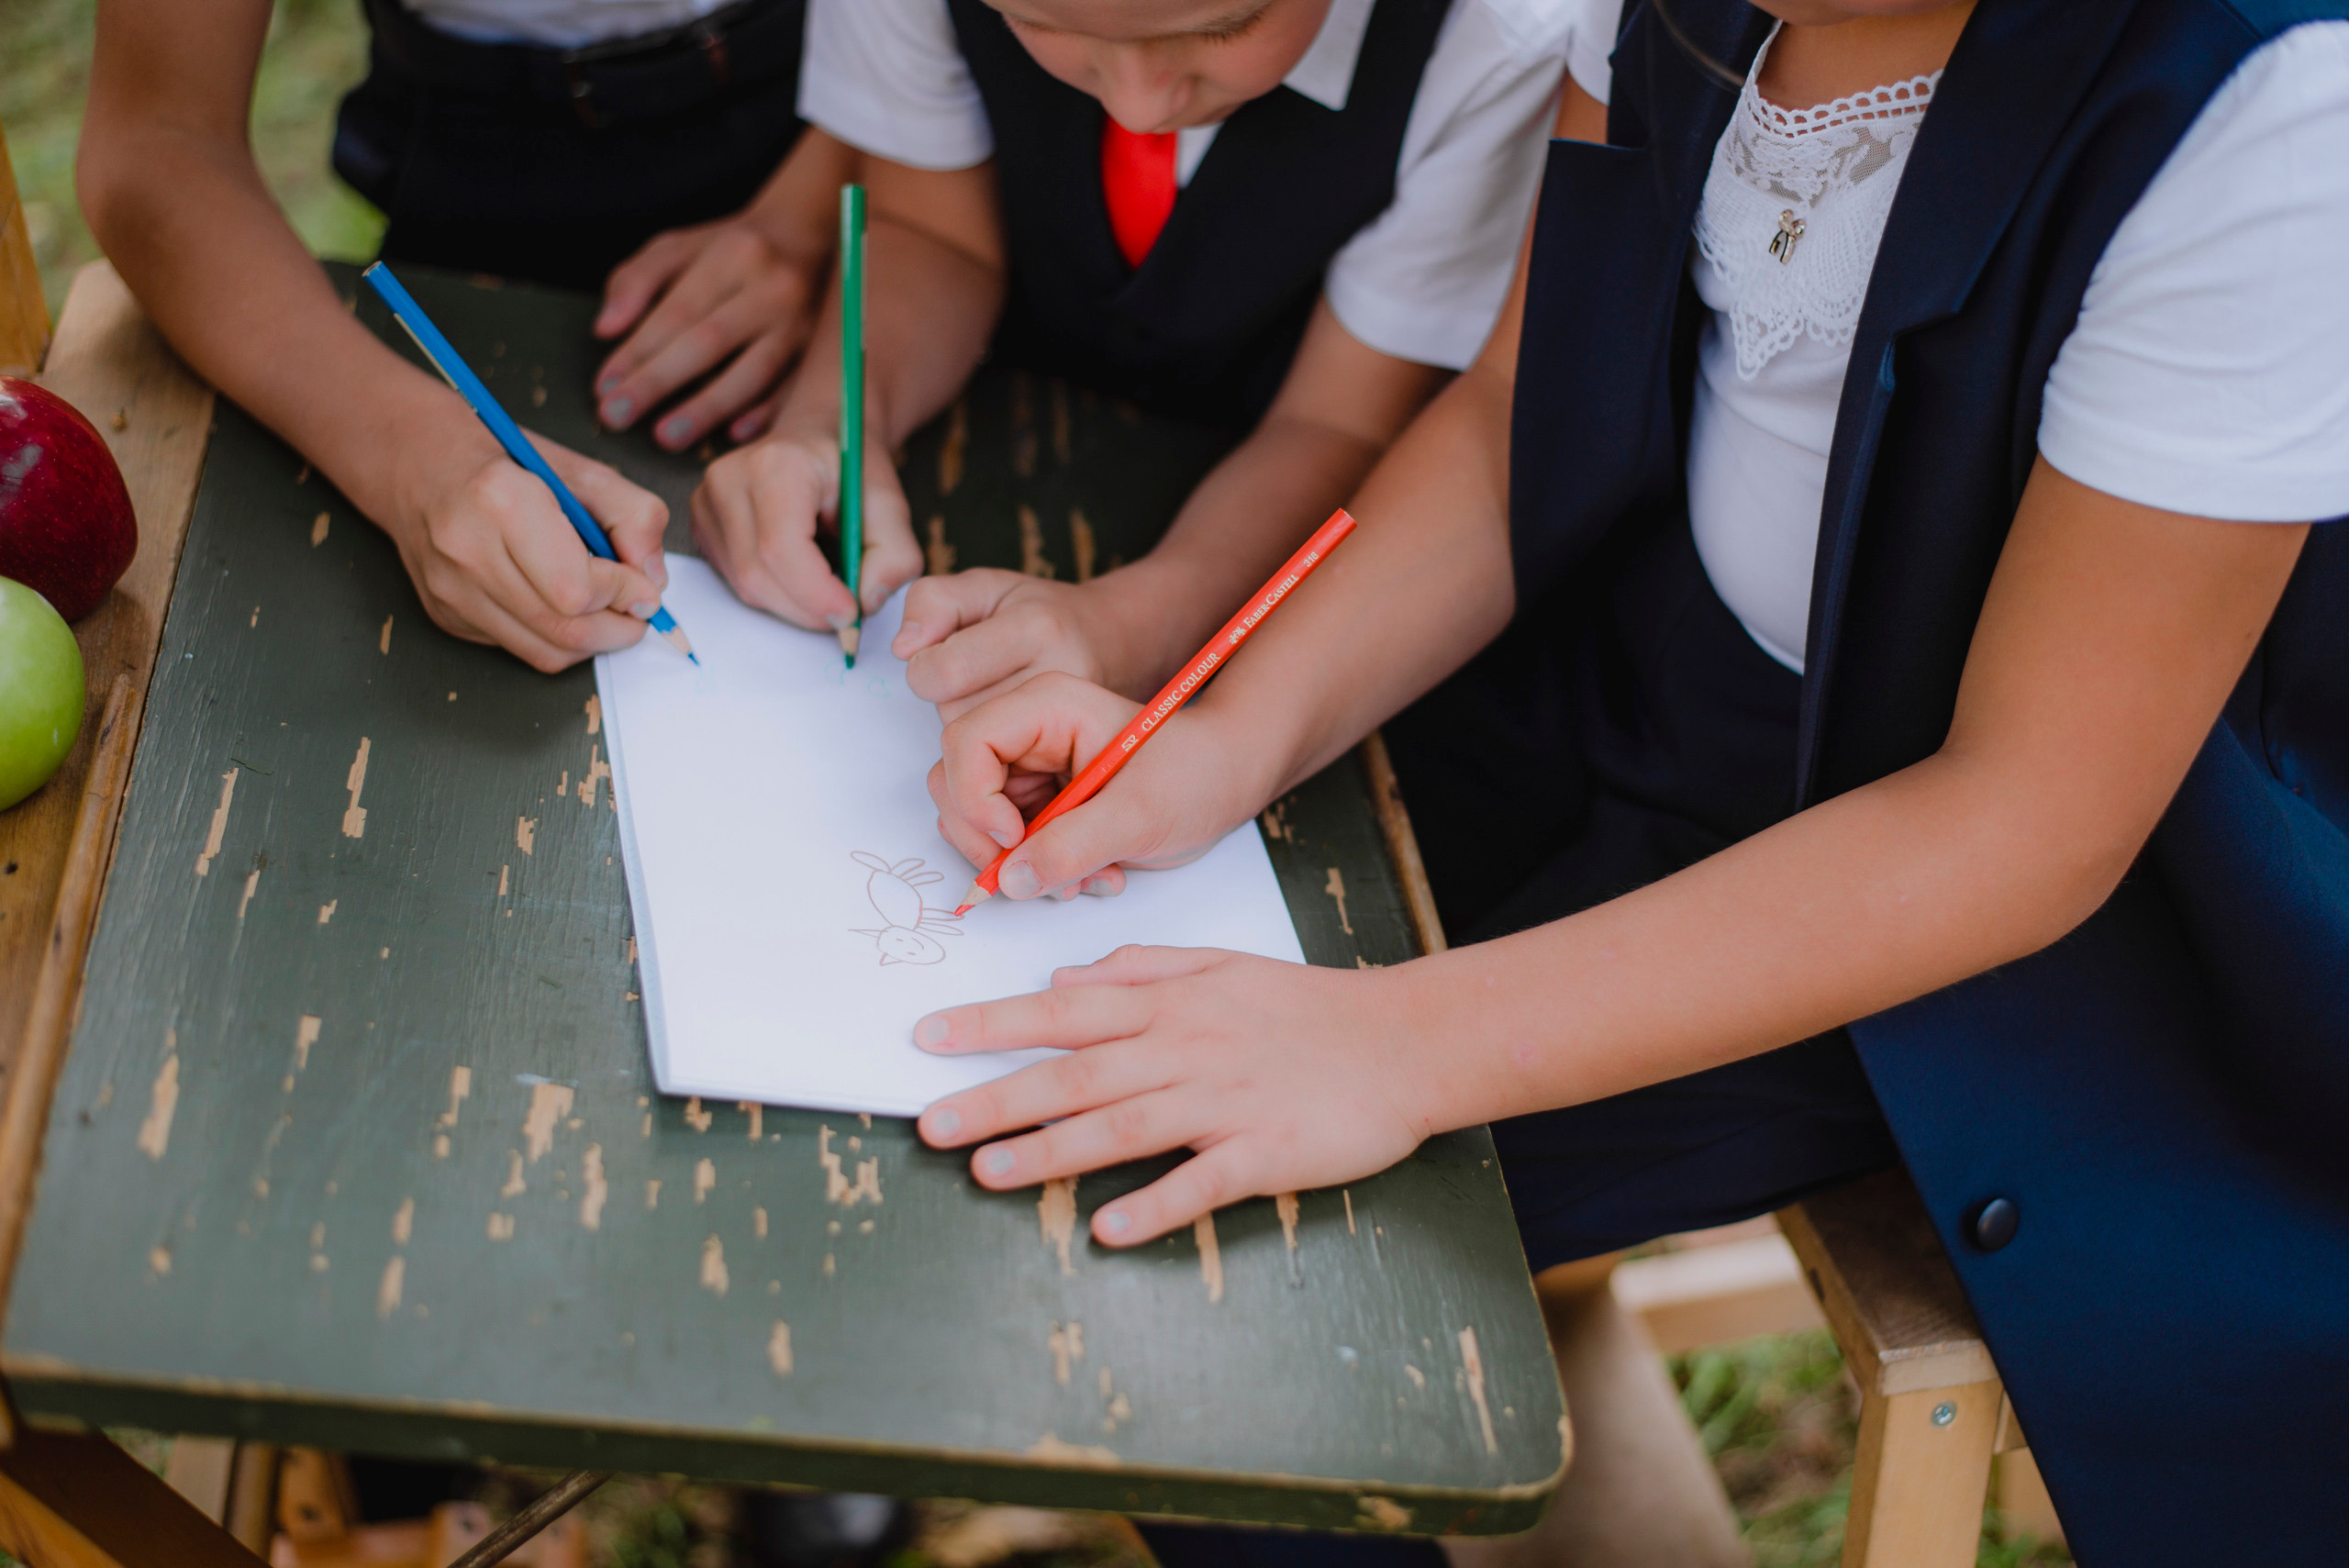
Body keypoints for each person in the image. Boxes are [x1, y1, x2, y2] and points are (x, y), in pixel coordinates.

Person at [909, 0, 2349, 1562]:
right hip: (1619, 668)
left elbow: (2029, 822)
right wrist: (1221, 743)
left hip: (1974, 918)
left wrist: (1391, 1045)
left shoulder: (2274, 108)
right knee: (1082, 1071)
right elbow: (1509, 414)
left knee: (1216, 1267)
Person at [689, 0, 1598, 736]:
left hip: (1274, 481)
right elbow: (932, 232)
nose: (1138, 103)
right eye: (1047, 25)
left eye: (1223, 28)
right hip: (1007, 400)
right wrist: (832, 422)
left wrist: (1132, 623)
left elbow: (1340, 421)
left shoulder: (1496, 38)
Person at [77, 0, 847, 675]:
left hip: (858, 146)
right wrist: (406, 447)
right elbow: (157, 139)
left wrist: (815, 213)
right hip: (470, 160)